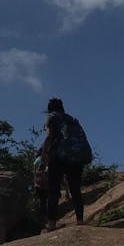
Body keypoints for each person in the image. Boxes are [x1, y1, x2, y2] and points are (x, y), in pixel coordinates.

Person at [40, 97, 85, 231]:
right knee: (75, 189)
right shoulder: (71, 119)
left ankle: (51, 224)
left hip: (58, 157)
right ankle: (80, 221)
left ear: (49, 109)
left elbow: (48, 137)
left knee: (53, 191)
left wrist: (43, 157)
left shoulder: (52, 117)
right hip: (75, 157)